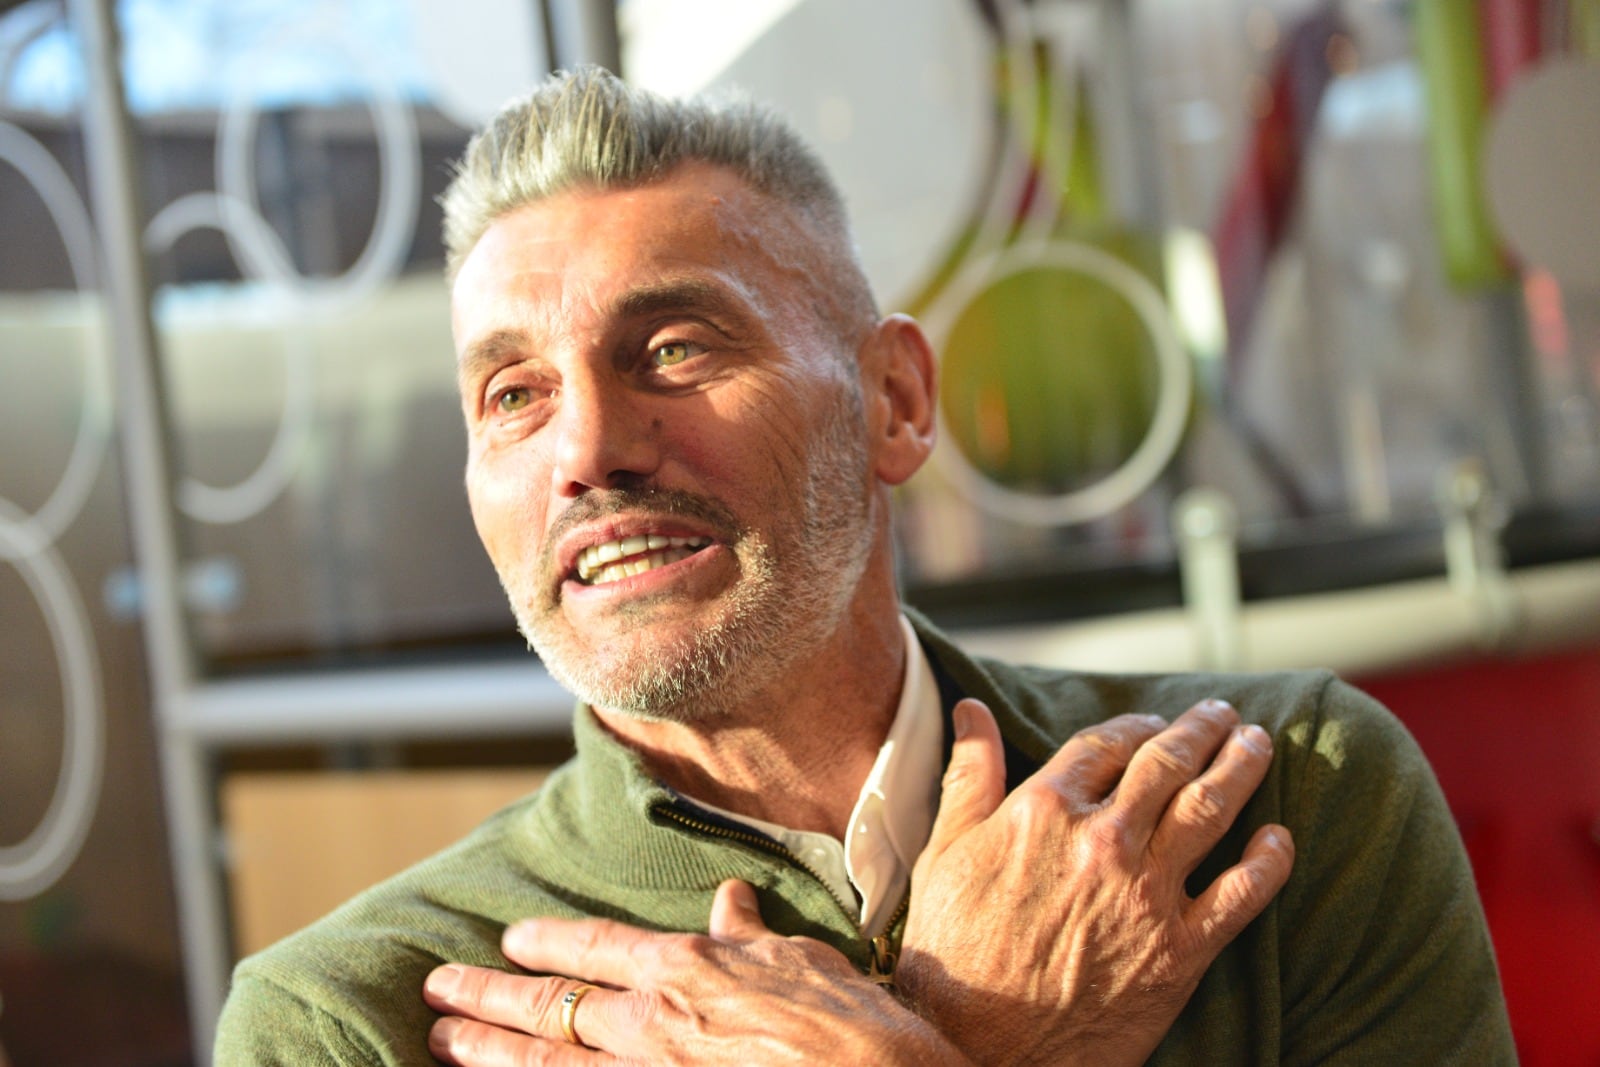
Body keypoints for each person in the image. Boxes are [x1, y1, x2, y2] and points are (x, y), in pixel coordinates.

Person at [214, 67, 1514, 1065]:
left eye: (672, 349)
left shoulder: (1288, 798)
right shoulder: (350, 1019)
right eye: (513, 394)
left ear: (892, 401)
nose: (590, 451)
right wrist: (985, 1035)